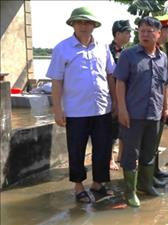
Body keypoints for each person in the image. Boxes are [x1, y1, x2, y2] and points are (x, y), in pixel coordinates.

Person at [46, 7, 116, 203]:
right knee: (76, 149)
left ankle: (98, 183)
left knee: (103, 148)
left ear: (94, 25)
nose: (84, 26)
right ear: (73, 25)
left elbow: (110, 75)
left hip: (102, 108)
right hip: (76, 110)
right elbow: (57, 81)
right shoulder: (62, 48)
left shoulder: (103, 47)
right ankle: (78, 187)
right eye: (79, 22)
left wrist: (116, 102)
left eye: (87, 22)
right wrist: (57, 110)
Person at [114, 17, 168, 207]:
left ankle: (146, 186)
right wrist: (121, 109)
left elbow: (165, 85)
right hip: (133, 114)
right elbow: (120, 83)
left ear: (158, 34)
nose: (145, 34)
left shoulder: (162, 57)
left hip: (154, 114)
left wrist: (165, 108)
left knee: (149, 153)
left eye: (149, 31)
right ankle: (130, 192)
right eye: (141, 31)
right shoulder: (128, 55)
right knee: (131, 154)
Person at [151, 14, 168, 181]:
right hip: (147, 105)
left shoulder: (162, 53)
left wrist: (165, 107)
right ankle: (148, 176)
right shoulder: (145, 51)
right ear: (160, 31)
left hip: (158, 103)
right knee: (148, 143)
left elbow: (166, 83)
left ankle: (154, 172)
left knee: (155, 141)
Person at [109, 20, 133, 171]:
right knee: (111, 130)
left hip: (125, 95)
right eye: (127, 32)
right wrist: (114, 100)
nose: (130, 35)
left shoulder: (127, 52)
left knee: (124, 127)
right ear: (117, 34)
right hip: (111, 95)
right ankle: (110, 159)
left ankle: (121, 156)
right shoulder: (108, 51)